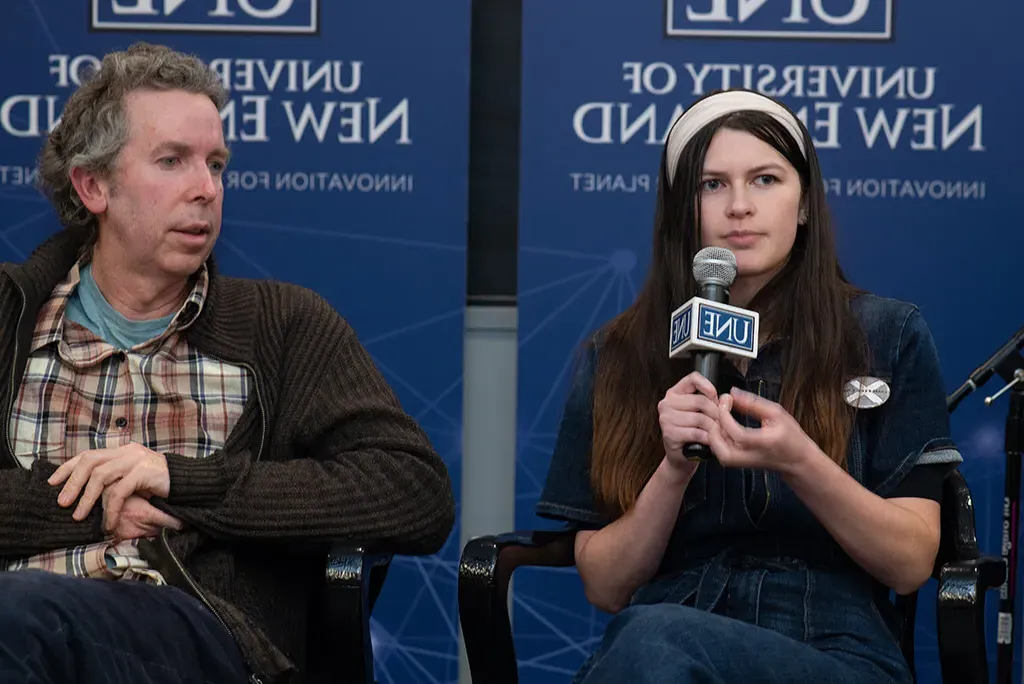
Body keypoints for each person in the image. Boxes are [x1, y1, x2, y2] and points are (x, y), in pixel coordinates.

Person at [0, 42, 455, 684]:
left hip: (191, 634)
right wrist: (93, 507)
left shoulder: (283, 325)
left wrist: (182, 483)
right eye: (172, 161)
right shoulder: (8, 316)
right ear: (92, 184)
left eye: (216, 164)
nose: (205, 189)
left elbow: (414, 492)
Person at [536, 88, 961, 683]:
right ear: (684, 210)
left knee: (651, 640)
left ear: (805, 204)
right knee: (652, 640)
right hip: (658, 641)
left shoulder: (887, 335)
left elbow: (912, 562)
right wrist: (673, 470)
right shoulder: (621, 353)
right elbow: (606, 587)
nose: (739, 206)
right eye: (712, 185)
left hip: (834, 649)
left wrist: (800, 462)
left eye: (765, 180)